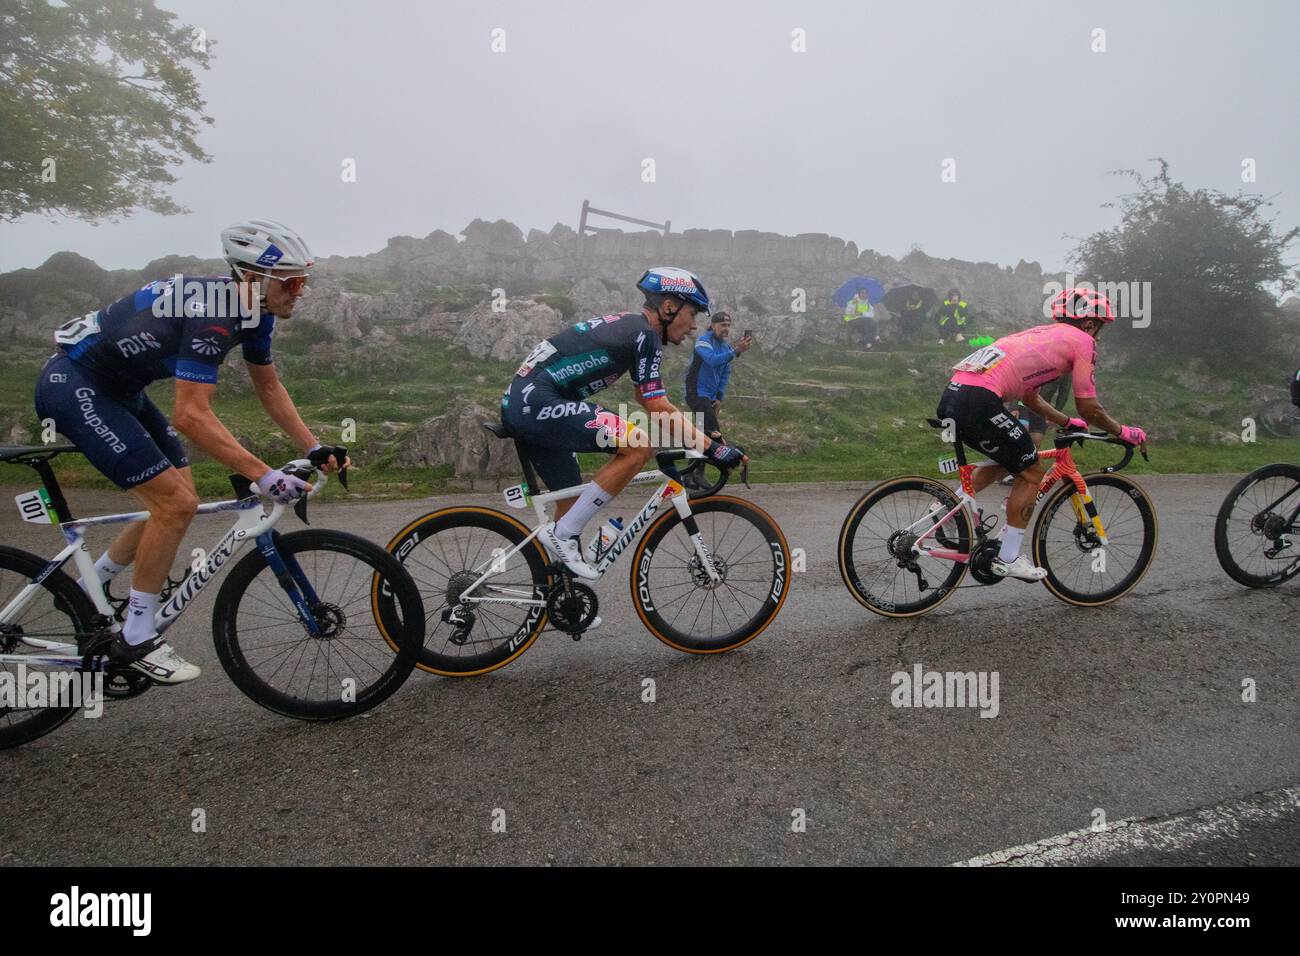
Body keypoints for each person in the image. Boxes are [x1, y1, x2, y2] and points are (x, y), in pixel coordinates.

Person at [33, 219, 348, 684]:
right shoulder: (215, 311)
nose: (300, 291)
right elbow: (190, 416)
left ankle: (89, 587)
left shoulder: (253, 310)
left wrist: (313, 445)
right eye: (292, 281)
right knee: (175, 505)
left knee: (179, 496)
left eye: (304, 280)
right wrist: (264, 475)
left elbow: (268, 386)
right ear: (251, 276)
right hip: (76, 386)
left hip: (121, 390)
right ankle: (137, 637)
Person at [500, 267, 747, 579]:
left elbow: (650, 401)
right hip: (537, 403)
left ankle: (559, 590)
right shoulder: (644, 333)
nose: (694, 326)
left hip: (530, 403)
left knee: (572, 500)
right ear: (669, 307)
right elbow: (657, 406)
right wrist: (713, 448)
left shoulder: (634, 330)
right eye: (693, 313)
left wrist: (708, 443)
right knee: (637, 445)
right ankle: (561, 538)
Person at [935, 288, 1146, 581]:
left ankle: (943, 508)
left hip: (953, 395)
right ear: (1088, 324)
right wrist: (1124, 432)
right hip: (979, 400)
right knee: (1032, 471)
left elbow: (1031, 398)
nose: (1098, 336)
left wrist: (1066, 420)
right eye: (1099, 328)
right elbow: (1089, 405)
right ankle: (1008, 558)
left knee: (1013, 458)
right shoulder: (1083, 341)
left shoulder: (1040, 336)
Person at [681, 311, 751, 488]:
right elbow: (712, 361)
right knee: (713, 433)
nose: (726, 329)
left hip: (710, 396)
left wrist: (719, 397)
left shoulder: (726, 347)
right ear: (713, 325)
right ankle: (706, 470)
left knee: (701, 433)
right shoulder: (703, 341)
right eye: (722, 325)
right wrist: (736, 351)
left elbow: (725, 372)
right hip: (696, 392)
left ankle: (691, 475)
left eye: (728, 325)